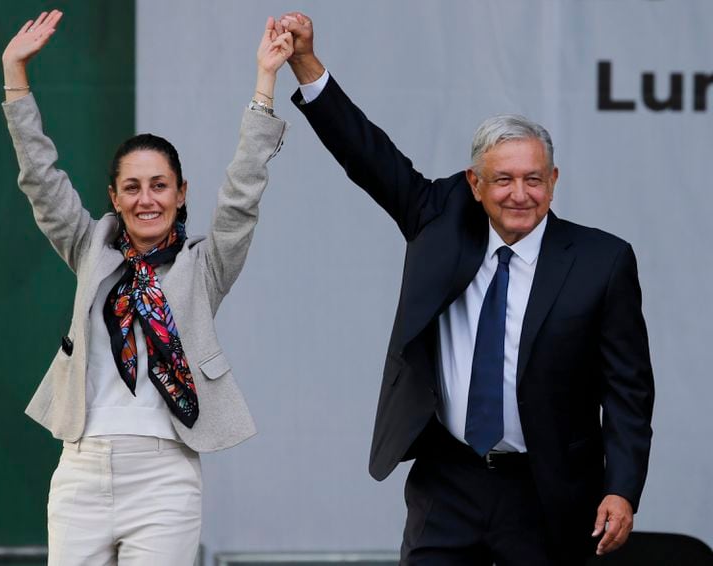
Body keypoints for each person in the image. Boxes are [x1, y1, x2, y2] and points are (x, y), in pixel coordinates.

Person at [278, 12, 654, 566]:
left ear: (553, 182)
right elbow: (366, 152)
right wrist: (305, 62)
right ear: (475, 185)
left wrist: (621, 488)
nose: (519, 194)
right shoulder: (437, 219)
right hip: (449, 479)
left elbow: (627, 391)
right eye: (502, 179)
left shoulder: (602, 260)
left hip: (548, 486)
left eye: (533, 179)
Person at [1, 10, 292, 565]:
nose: (146, 199)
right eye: (132, 187)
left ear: (181, 193)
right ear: (114, 197)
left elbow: (241, 196)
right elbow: (41, 181)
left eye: (159, 186)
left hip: (165, 475)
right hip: (81, 469)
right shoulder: (91, 249)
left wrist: (264, 83)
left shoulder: (204, 265)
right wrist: (16, 76)